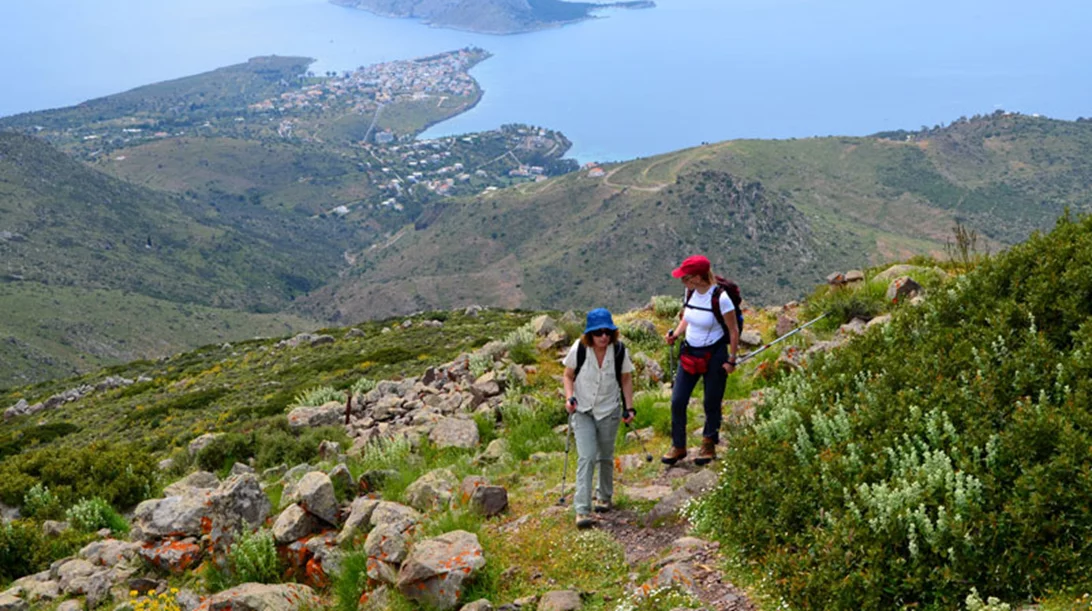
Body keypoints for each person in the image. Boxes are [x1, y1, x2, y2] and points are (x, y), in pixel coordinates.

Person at [663, 255, 740, 466]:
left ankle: (708, 444)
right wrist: (676, 334)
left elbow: (733, 331)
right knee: (678, 400)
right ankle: (678, 446)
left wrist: (731, 360)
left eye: (685, 278)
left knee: (711, 401)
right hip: (690, 352)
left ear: (697, 277)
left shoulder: (721, 298)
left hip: (715, 354)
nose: (682, 281)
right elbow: (688, 316)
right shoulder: (689, 292)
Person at [562, 307, 635, 528]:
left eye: (607, 332)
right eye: (598, 332)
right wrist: (569, 397)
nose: (603, 336)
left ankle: (604, 496)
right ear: (589, 334)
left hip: (608, 410)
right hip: (582, 410)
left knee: (605, 456)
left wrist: (629, 408)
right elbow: (567, 375)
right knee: (587, 457)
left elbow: (626, 379)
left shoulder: (619, 350)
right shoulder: (580, 349)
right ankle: (582, 510)